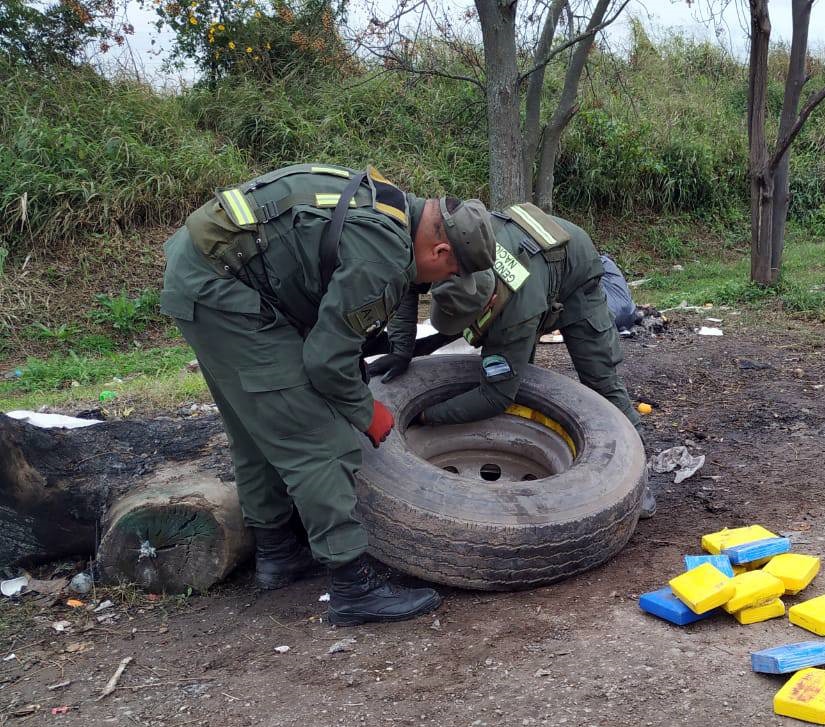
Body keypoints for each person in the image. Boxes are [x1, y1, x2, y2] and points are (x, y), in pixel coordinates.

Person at [160, 163, 496, 625]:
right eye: (447, 272)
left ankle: (278, 555)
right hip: (224, 293)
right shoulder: (384, 253)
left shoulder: (392, 205)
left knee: (260, 426)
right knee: (318, 438)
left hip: (207, 273)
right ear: (440, 250)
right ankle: (353, 587)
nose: (437, 282)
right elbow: (325, 361)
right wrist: (365, 412)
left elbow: (327, 311)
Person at [366, 201, 657, 518]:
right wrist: (402, 347)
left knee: (600, 380)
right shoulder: (460, 252)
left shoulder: (516, 312)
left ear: (489, 304)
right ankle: (508, 441)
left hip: (575, 273)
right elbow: (410, 281)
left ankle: (638, 478)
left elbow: (495, 396)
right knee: (517, 369)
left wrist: (423, 417)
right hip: (527, 257)